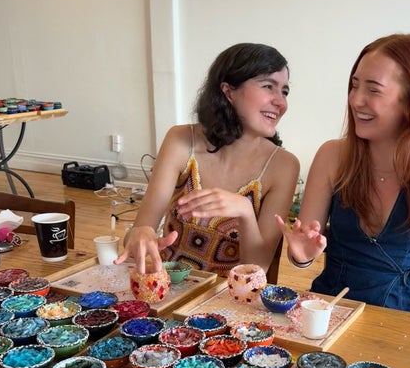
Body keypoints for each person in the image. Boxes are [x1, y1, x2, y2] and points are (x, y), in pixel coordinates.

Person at [275, 33, 410, 314]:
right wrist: (302, 256)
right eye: (354, 86)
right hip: (329, 311)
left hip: (404, 318)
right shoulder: (332, 154)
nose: (355, 100)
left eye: (373, 90)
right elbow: (302, 250)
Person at [117, 43, 300, 275]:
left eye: (284, 91)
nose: (281, 102)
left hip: (231, 294)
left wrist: (245, 210)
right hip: (170, 284)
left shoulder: (283, 166)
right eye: (268, 86)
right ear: (228, 91)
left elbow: (258, 267)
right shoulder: (181, 140)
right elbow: (139, 231)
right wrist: (140, 234)